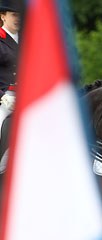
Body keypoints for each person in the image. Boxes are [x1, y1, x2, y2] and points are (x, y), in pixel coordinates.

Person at [0, 0, 20, 176]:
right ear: (3, 16)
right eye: (14, 14)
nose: (18, 18)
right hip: (4, 98)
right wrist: (2, 97)